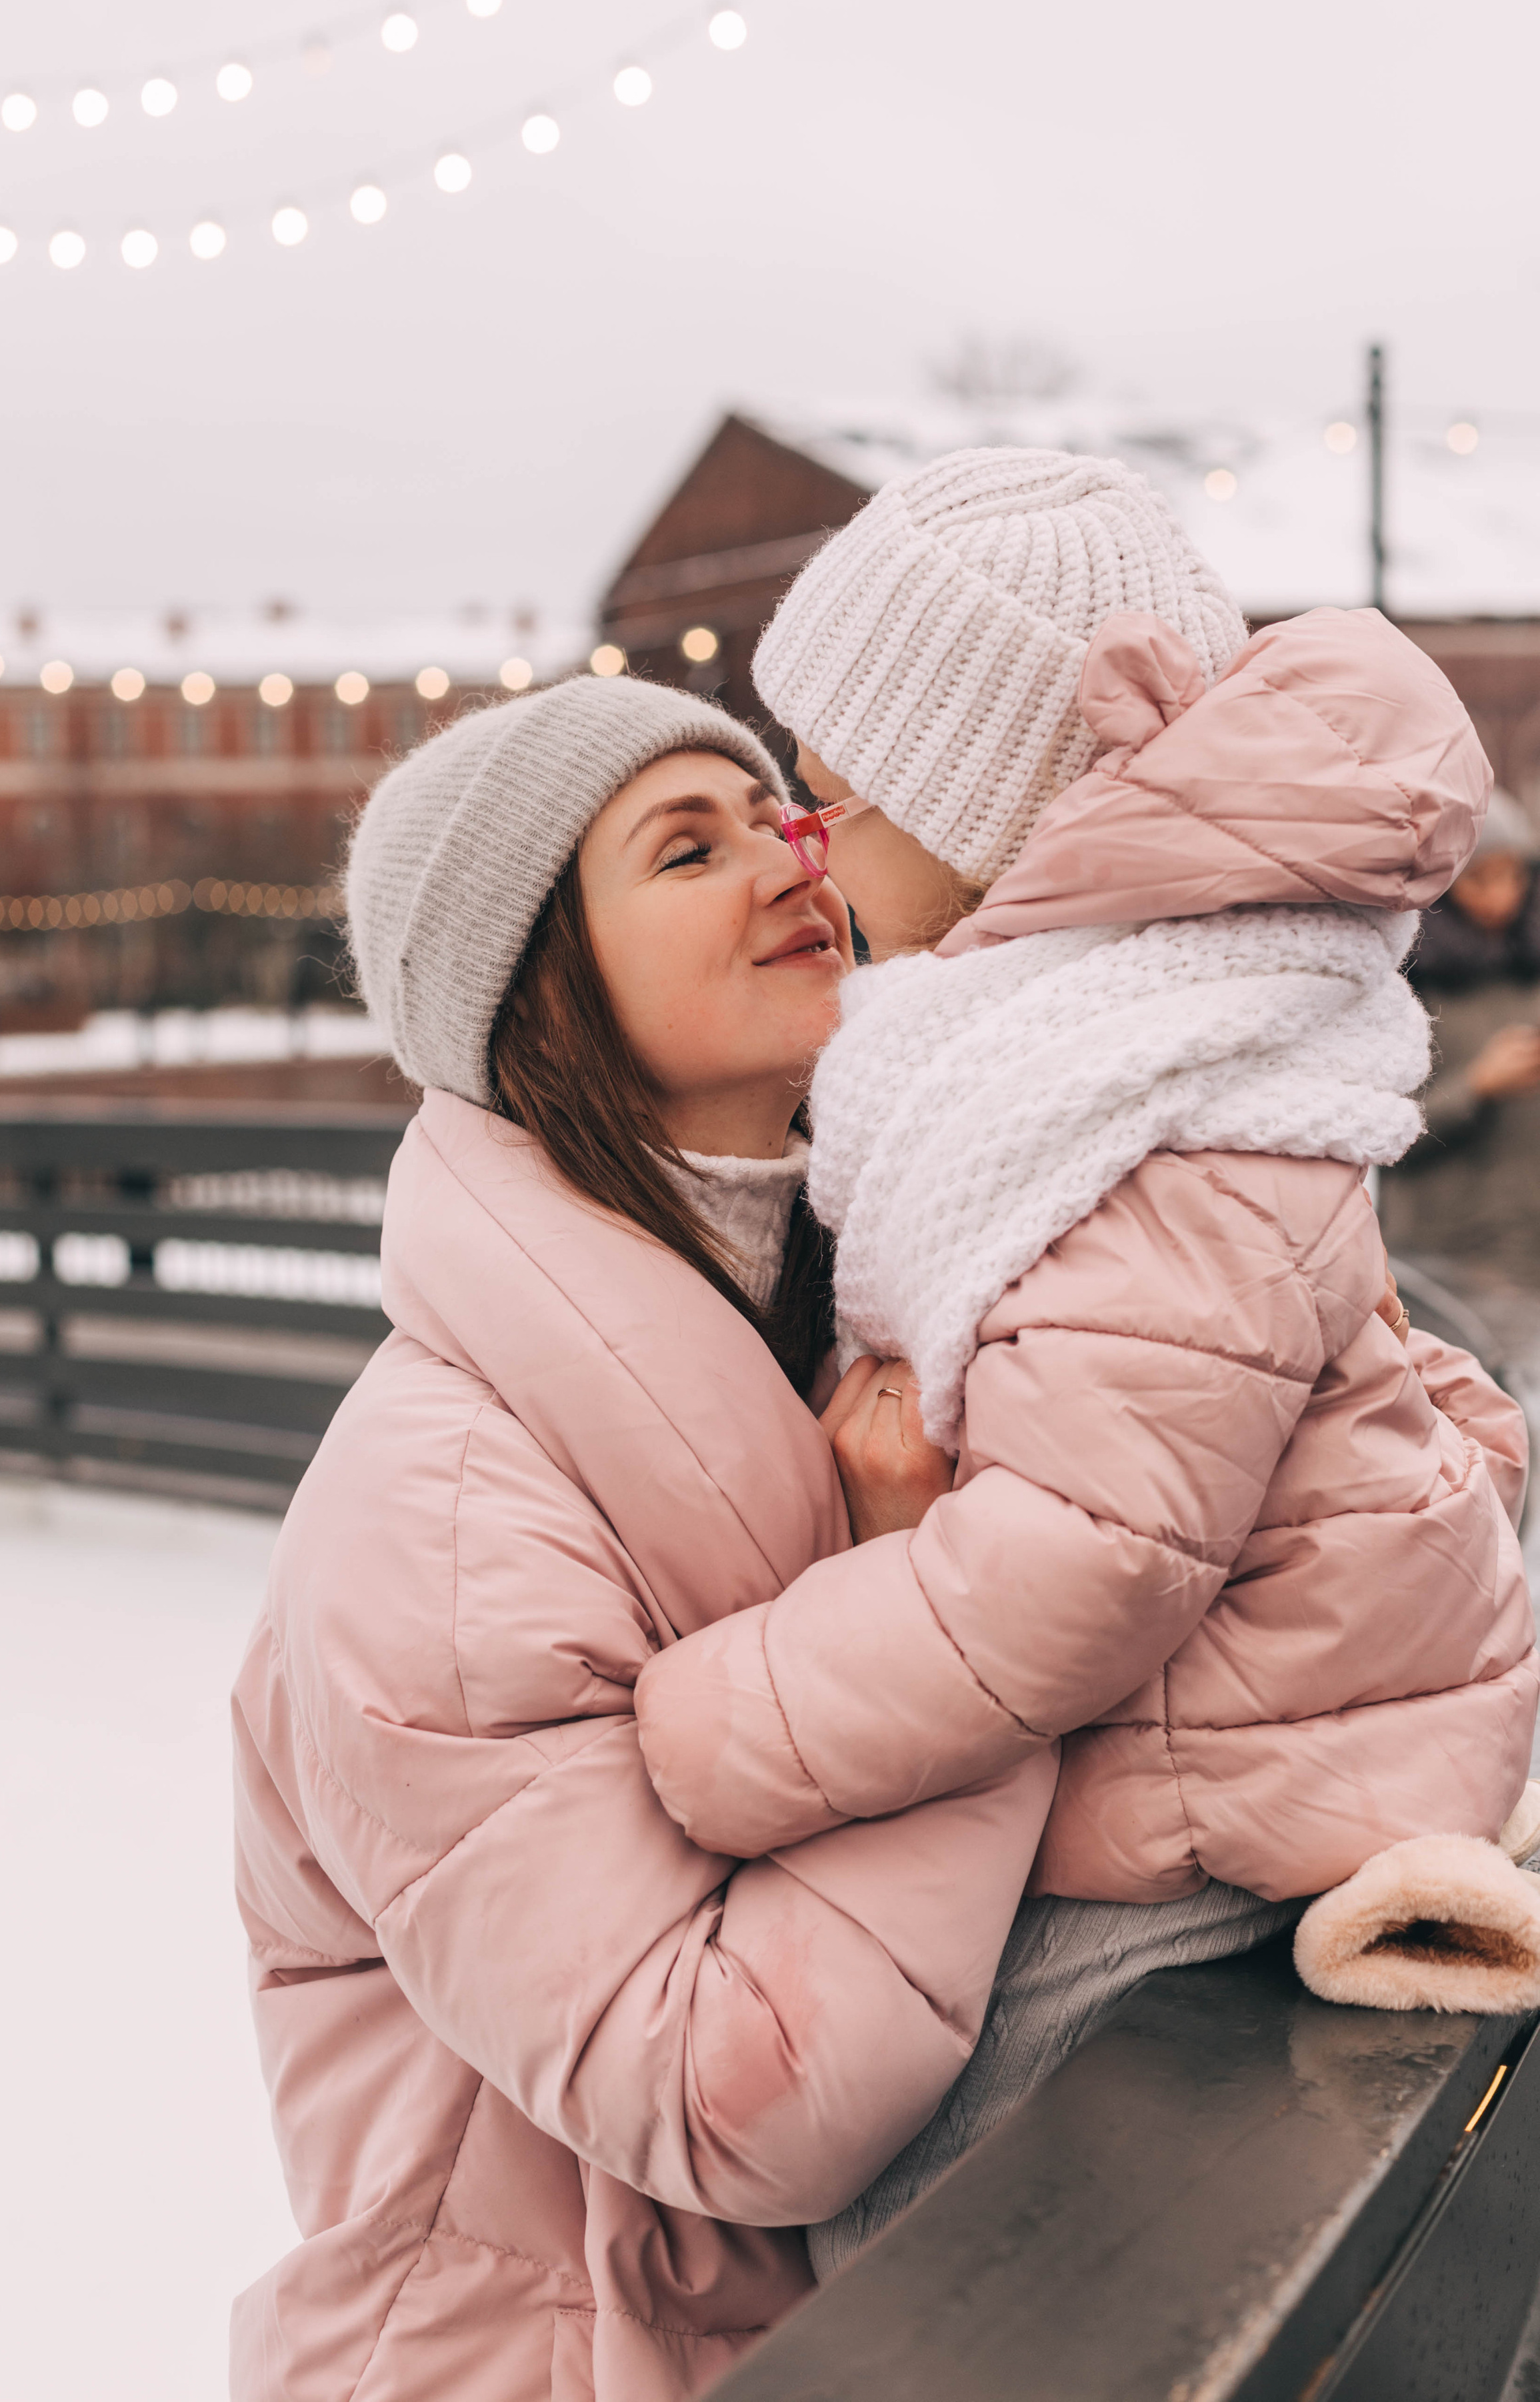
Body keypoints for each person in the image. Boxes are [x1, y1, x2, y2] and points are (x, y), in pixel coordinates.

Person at [632, 449, 1540, 2272]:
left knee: (935, 2225)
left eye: (844, 789)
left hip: (1222, 1805)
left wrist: (718, 1722)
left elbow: (1082, 1564)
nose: (812, 832)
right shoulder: (1104, 1049)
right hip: (1241, 1735)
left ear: (990, 802)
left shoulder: (1152, 1109)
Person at [229, 677, 1059, 2402]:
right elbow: (724, 2091)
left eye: (775, 815)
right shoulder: (436, 1523)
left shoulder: (874, 1312)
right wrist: (942, 1600)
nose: (788, 861)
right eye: (688, 849)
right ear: (536, 988)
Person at [1379, 786, 1540, 1286]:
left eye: (1515, 874)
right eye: (1481, 878)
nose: (1503, 895)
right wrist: (1477, 1086)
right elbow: (1383, 1131)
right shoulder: (1400, 987)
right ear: (1441, 885)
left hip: (1528, 1241)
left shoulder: (1529, 974)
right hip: (1444, 1252)